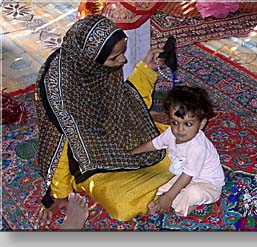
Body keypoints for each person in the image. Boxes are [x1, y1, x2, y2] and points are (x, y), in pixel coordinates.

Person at [34, 14, 174, 228]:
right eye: (114, 58)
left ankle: (172, 182)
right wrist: (60, 193)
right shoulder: (60, 91)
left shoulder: (92, 65)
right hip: (86, 158)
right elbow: (59, 148)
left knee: (183, 143)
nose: (123, 61)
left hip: (117, 136)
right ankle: (174, 184)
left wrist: (146, 69)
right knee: (123, 204)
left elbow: (123, 103)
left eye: (122, 54)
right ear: (90, 58)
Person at [130, 86, 225, 217]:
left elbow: (188, 175)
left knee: (191, 193)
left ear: (202, 124)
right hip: (181, 175)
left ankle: (183, 204)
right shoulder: (171, 133)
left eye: (188, 124)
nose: (180, 129)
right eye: (175, 122)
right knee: (155, 186)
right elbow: (155, 144)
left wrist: (168, 197)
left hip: (207, 182)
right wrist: (132, 152)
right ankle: (166, 199)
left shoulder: (197, 147)